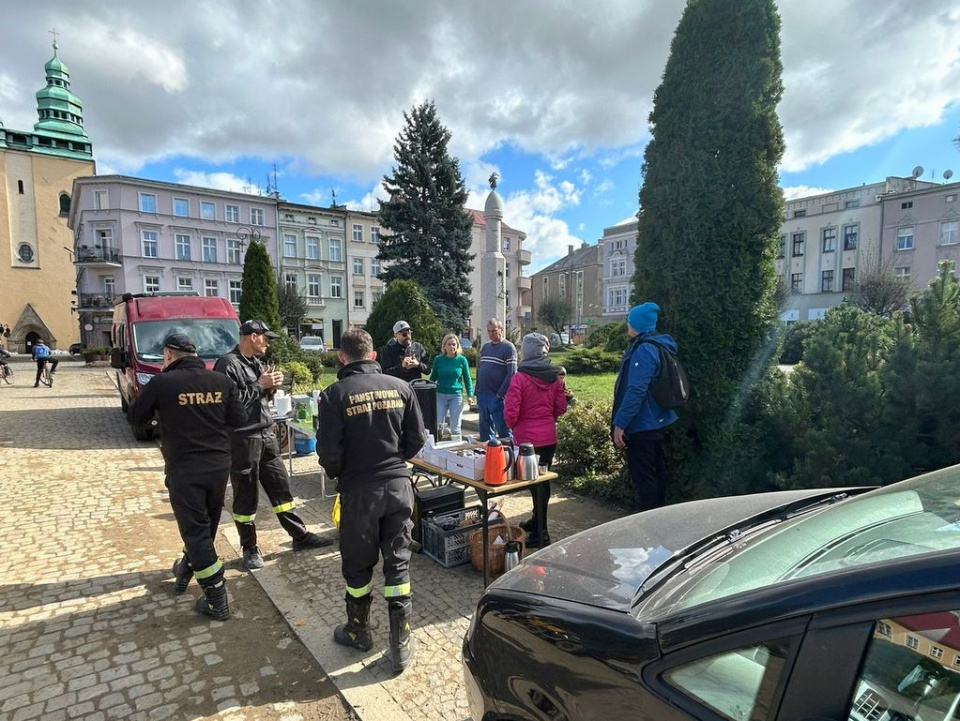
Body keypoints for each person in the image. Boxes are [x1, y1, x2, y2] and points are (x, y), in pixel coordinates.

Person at [317, 329, 426, 674]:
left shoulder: (333, 394)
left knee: (357, 565)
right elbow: (416, 440)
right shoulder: (401, 387)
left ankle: (358, 631)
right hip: (397, 487)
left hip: (359, 491)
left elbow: (328, 454)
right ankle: (401, 645)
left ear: (342, 357)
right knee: (398, 563)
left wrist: (344, 472)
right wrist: (394, 463)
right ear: (374, 355)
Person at [129, 333, 247, 621]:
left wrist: (165, 416)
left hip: (184, 468)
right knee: (205, 526)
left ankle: (217, 598)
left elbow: (136, 418)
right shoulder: (220, 381)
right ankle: (186, 568)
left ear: (168, 355)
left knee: (195, 531)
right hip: (219, 466)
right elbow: (239, 420)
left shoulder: (162, 383)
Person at [214, 319, 331, 571]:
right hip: (243, 439)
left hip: (266, 434)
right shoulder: (227, 364)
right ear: (252, 336)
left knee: (281, 490)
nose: (267, 342)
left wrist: (270, 388)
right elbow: (229, 405)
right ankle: (249, 547)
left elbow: (257, 398)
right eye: (264, 337)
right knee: (246, 496)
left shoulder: (254, 362)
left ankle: (299, 536)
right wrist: (260, 386)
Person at [611, 302, 679, 511]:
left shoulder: (644, 350)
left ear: (638, 325)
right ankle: (658, 517)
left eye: (630, 322)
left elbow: (636, 391)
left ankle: (650, 523)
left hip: (643, 425)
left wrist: (620, 424)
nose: (627, 326)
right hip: (658, 420)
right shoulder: (658, 345)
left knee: (645, 479)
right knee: (657, 473)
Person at [504, 333, 567, 548]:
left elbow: (511, 412)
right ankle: (536, 521)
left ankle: (541, 532)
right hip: (548, 438)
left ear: (527, 352)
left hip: (526, 441)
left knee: (535, 485)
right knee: (542, 482)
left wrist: (513, 426)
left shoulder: (519, 378)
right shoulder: (556, 377)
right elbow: (561, 408)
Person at [475, 318, 516, 441]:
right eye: (489, 331)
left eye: (494, 330)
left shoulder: (508, 348)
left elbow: (512, 374)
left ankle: (509, 455)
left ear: (501, 329)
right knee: (485, 428)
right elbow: (480, 369)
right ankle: (488, 455)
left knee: (503, 429)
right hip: (483, 393)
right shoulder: (486, 347)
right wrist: (477, 390)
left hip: (497, 395)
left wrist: (499, 395)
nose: (491, 334)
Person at [429, 333, 473, 440]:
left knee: (455, 426)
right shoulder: (439, 360)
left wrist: (470, 395)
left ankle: (455, 448)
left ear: (457, 346)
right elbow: (433, 377)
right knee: (439, 424)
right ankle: (439, 446)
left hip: (456, 396)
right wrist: (428, 392)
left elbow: (467, 378)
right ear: (444, 346)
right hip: (440, 395)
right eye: (449, 344)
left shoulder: (461, 360)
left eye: (454, 344)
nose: (452, 347)